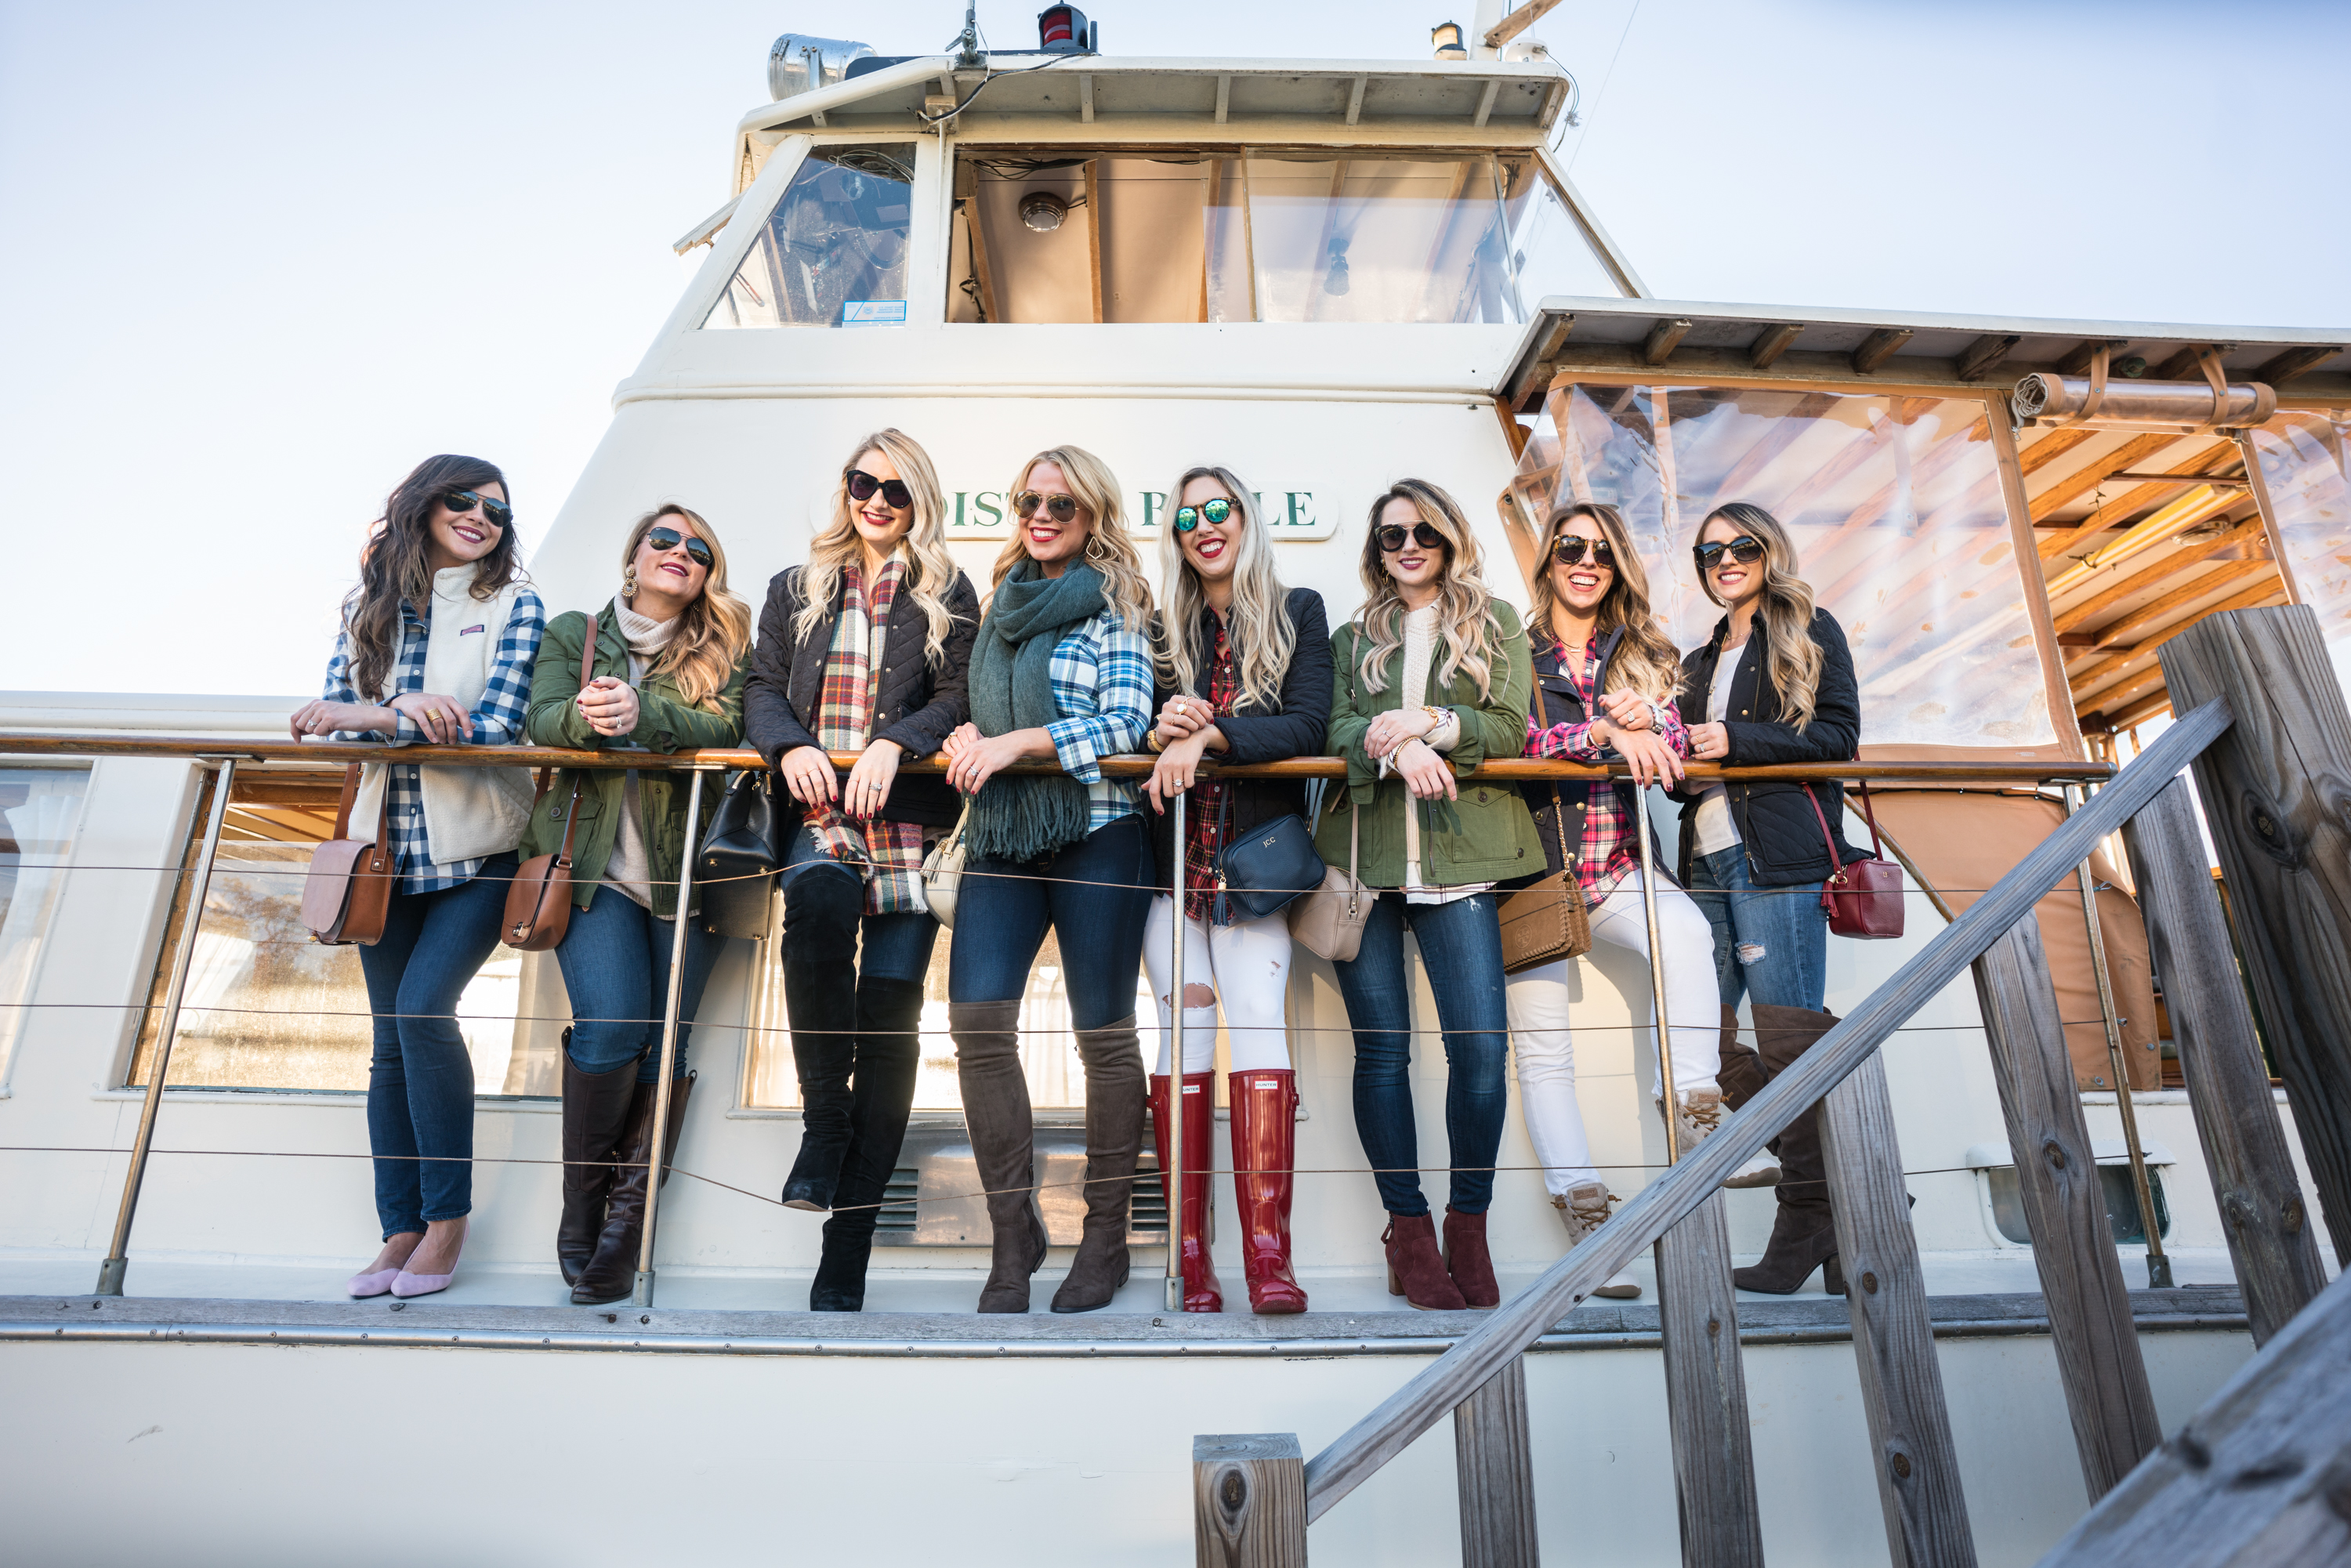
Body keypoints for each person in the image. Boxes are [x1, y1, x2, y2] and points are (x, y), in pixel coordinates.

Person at [292, 456, 544, 1302]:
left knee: (422, 1011)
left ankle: (446, 1224)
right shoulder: (368, 610)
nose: (481, 518)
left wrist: (372, 716)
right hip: (381, 861)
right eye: (464, 500)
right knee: (387, 1043)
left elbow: (499, 725)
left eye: (498, 512)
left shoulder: (513, 604)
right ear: (423, 505)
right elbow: (327, 724)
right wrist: (393, 713)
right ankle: (396, 1228)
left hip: (478, 851)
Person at [744, 429, 979, 1312]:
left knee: (889, 1021)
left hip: (911, 823)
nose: (876, 500)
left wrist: (895, 741)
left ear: (920, 501)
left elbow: (960, 697)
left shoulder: (947, 591)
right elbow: (762, 687)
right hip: (822, 814)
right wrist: (791, 746)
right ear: (845, 488)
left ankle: (848, 1244)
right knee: (814, 910)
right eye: (862, 483)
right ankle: (823, 1123)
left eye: (896, 489)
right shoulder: (795, 588)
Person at [1317, 480, 1545, 1313]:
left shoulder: (1498, 623)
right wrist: (1388, 746)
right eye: (1390, 537)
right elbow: (1334, 729)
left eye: (1424, 532)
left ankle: (1468, 1227)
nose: (1408, 546)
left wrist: (1429, 726)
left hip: (1463, 860)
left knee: (1481, 1052)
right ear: (1376, 550)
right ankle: (1407, 1231)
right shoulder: (1351, 636)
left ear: (1451, 538)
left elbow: (1511, 727)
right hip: (1367, 864)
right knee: (1383, 1053)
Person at [940, 445, 1156, 1315]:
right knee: (976, 1018)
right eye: (1028, 500)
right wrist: (964, 738)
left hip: (1100, 827)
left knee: (1103, 1035)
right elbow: (978, 709)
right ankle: (1012, 1233)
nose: (1041, 514)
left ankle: (1104, 1241)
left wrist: (1019, 745)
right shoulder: (1000, 606)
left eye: (1060, 505)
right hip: (1004, 832)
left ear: (1093, 516)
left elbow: (1127, 719)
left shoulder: (1117, 605)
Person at [520, 505, 752, 1307]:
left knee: (665, 1048)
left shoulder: (725, 645)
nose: (678, 553)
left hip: (687, 876)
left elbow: (726, 727)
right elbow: (537, 718)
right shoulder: (573, 632)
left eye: (697, 549)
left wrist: (645, 714)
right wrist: (589, 715)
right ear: (634, 554)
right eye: (665, 539)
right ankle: (582, 1206)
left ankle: (625, 1230)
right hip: (588, 873)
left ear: (706, 574)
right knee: (614, 1026)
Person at [1502, 500, 1728, 1302]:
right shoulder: (1511, 648)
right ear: (1548, 562)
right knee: (1544, 1055)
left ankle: (1697, 1103)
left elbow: (1668, 749)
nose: (1585, 560)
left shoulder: (1641, 650)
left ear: (1617, 563)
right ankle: (1588, 1229)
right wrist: (1601, 731)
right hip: (1532, 873)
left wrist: (1647, 721)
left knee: (1688, 934)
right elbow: (1505, 743)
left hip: (1620, 868)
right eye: (1570, 547)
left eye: (1600, 550)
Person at [1141, 467, 1332, 1315]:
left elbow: (1308, 723)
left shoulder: (1299, 613)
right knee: (1180, 1037)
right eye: (1187, 517)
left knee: (1257, 1026)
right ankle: (1191, 1256)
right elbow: (1136, 718)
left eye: (1218, 510)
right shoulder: (1159, 627)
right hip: (1170, 870)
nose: (1203, 526)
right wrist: (1163, 725)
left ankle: (1266, 1257)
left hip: (1251, 870)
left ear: (1247, 519)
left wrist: (1213, 731)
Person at [1672, 500, 1862, 1295]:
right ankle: (1843, 1195)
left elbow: (1838, 737)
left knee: (1787, 1036)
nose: (1724, 560)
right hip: (1707, 857)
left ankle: (1810, 1214)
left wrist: (1737, 743)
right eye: (1709, 551)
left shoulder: (1810, 629)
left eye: (1740, 546)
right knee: (1703, 1041)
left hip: (1780, 857)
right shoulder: (1698, 657)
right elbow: (1688, 753)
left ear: (1769, 551)